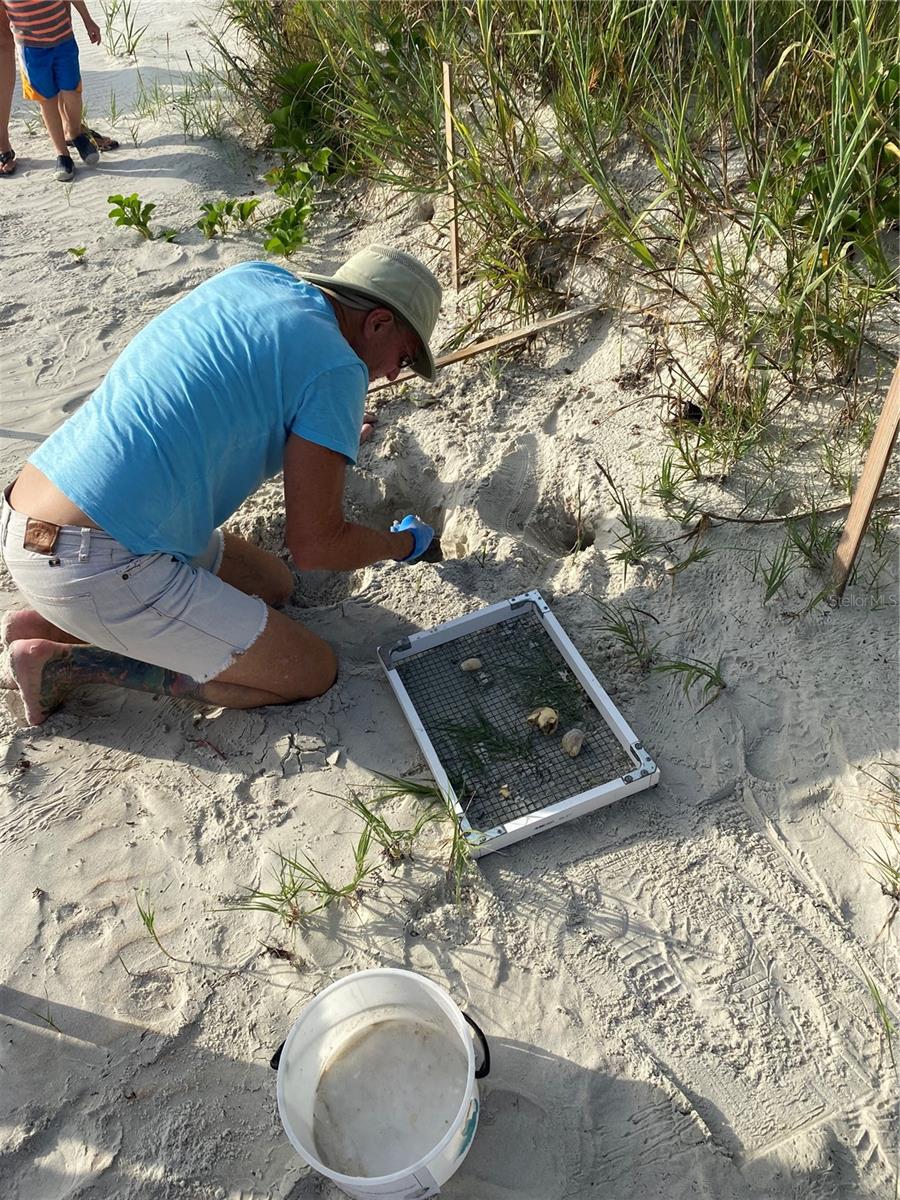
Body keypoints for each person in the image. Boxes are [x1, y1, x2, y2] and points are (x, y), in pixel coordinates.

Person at [0, 244, 442, 726]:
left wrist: (326, 436)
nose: (394, 373)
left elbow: (233, 396)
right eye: (403, 356)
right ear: (378, 322)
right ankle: (67, 665)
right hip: (97, 561)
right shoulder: (340, 368)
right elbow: (317, 546)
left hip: (32, 511)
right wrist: (402, 545)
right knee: (310, 671)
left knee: (273, 583)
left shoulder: (256, 278)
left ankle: (48, 621)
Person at [0, 0, 104, 181]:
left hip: (62, 38)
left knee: (72, 89)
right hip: (30, 47)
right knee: (46, 98)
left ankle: (74, 131)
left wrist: (87, 20)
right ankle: (61, 153)